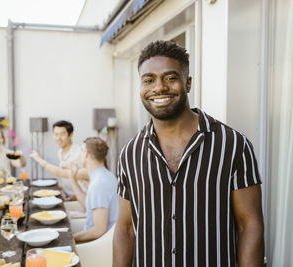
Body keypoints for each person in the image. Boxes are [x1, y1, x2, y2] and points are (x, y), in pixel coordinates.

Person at [113, 40, 264, 267]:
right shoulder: (129, 154)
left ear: (188, 83)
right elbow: (125, 229)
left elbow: (249, 225)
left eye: (170, 77)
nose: (159, 87)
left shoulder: (233, 145)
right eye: (148, 80)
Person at [69, 137, 119, 243]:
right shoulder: (104, 175)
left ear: (86, 154)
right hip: (99, 240)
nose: (80, 155)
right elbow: (90, 207)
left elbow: (99, 230)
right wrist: (73, 181)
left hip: (96, 244)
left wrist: (71, 238)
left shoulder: (99, 183)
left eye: (81, 151)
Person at [30, 120, 88, 200]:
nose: (58, 138)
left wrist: (39, 159)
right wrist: (61, 188)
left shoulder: (79, 153)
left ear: (70, 135)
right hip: (66, 195)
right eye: (56, 134)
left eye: (62, 134)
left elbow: (61, 173)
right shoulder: (60, 152)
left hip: (79, 198)